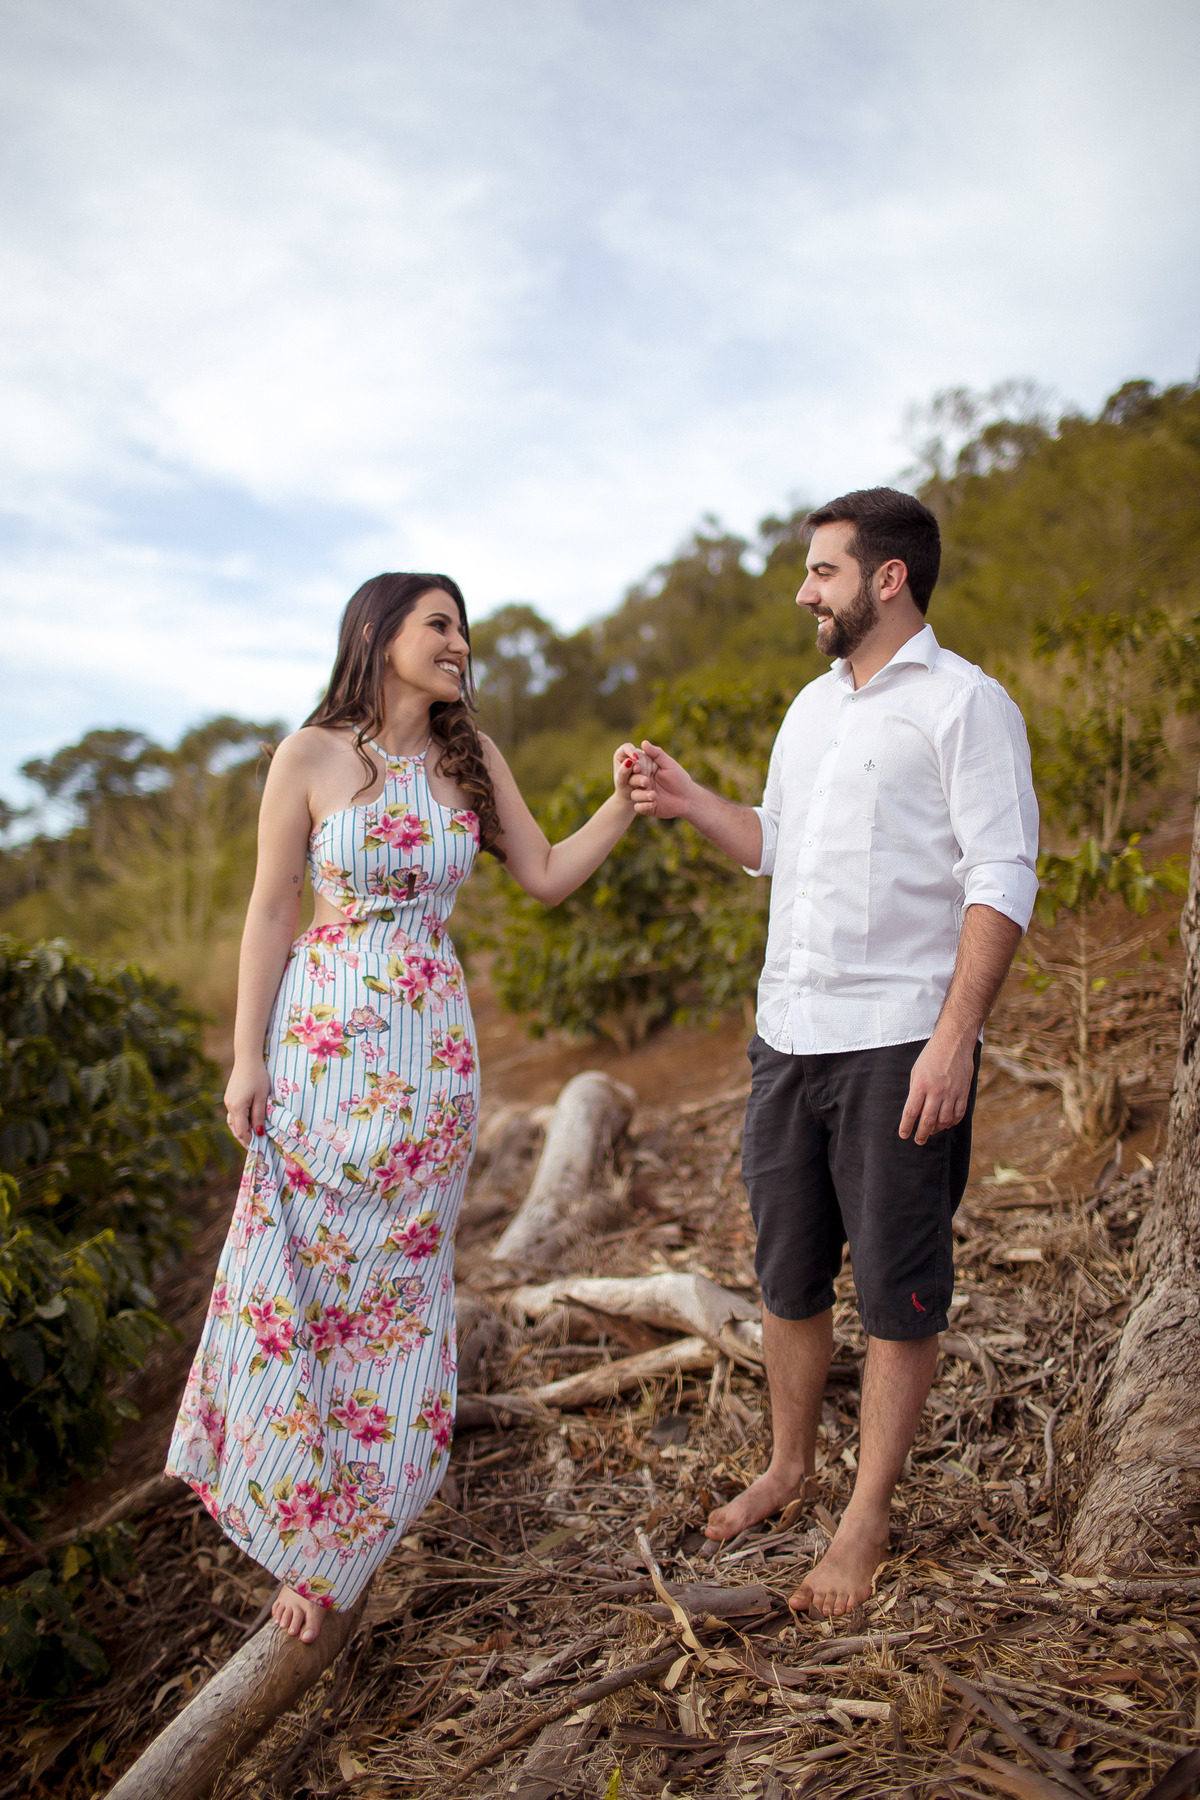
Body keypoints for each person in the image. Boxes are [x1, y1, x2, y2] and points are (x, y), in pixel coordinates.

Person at [167, 572, 644, 1644]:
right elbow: (270, 909)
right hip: (321, 1051)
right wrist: (245, 1059)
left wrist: (621, 800)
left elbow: (548, 872)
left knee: (392, 1299)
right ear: (378, 631)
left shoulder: (469, 761)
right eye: (440, 623)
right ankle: (300, 1524)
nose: (459, 643)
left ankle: (351, 1539)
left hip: (431, 1065)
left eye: (464, 629)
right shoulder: (308, 755)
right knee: (298, 1277)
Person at [629, 489, 1038, 1617]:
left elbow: (1000, 877)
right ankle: (791, 1465)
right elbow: (773, 843)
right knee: (787, 1273)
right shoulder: (811, 709)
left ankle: (866, 1519)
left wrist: (956, 1037)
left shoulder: (966, 706)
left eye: (822, 571)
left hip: (898, 1041)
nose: (804, 590)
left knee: (898, 1289)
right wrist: (685, 799)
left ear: (888, 578)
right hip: (787, 1039)